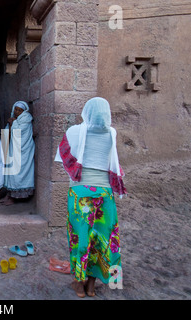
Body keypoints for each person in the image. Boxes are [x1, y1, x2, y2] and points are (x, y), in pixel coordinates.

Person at [54, 97, 127, 298]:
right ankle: (93, 285)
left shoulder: (74, 132)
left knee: (80, 238)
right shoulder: (112, 133)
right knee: (105, 238)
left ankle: (79, 284)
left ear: (87, 112)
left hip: (80, 194)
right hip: (105, 193)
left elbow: (63, 157)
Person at [2, 101, 35, 205]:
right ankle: (9, 194)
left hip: (23, 151)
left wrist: (13, 123)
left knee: (18, 171)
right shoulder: (16, 119)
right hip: (14, 149)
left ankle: (15, 197)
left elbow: (19, 132)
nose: (17, 112)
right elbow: (8, 132)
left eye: (20, 110)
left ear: (24, 111)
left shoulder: (26, 118)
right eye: (16, 109)